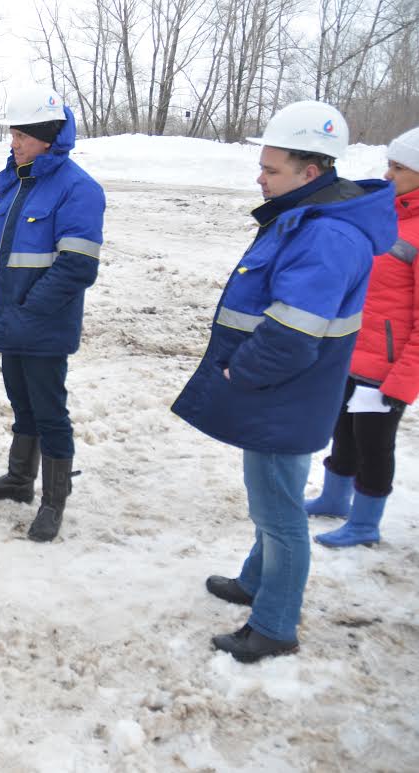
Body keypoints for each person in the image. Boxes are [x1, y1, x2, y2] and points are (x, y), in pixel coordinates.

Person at [171, 101, 397, 663]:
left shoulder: (327, 236)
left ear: (311, 172)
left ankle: (274, 625)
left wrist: (240, 370)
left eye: (271, 170)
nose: (260, 177)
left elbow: (293, 336)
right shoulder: (308, 218)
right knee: (271, 499)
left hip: (283, 394)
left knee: (280, 514)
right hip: (284, 393)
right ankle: (255, 579)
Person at [0, 85, 105, 543]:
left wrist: (29, 313)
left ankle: (53, 501)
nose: (14, 143)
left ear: (47, 138)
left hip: (44, 325)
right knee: (21, 403)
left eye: (22, 136)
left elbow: (77, 267)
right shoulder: (18, 180)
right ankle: (18, 480)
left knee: (50, 411)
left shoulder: (78, 189)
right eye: (12, 135)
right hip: (11, 319)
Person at [305, 126, 419, 547]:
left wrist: (403, 381)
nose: (388, 176)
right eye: (389, 165)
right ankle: (335, 499)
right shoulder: (387, 218)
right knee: (344, 431)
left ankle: (366, 523)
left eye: (400, 168)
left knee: (375, 444)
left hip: (387, 368)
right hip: (352, 354)